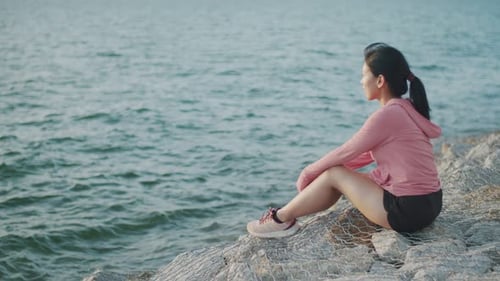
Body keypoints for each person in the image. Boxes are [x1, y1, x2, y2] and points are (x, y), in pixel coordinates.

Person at [247, 43, 443, 238]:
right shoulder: (406, 109)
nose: (361, 81)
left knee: (335, 174)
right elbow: (362, 155)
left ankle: (280, 220)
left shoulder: (388, 115)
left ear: (380, 80)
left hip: (406, 211)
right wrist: (323, 175)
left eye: (364, 74)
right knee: (335, 173)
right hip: (430, 204)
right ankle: (288, 217)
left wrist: (309, 172)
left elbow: (347, 151)